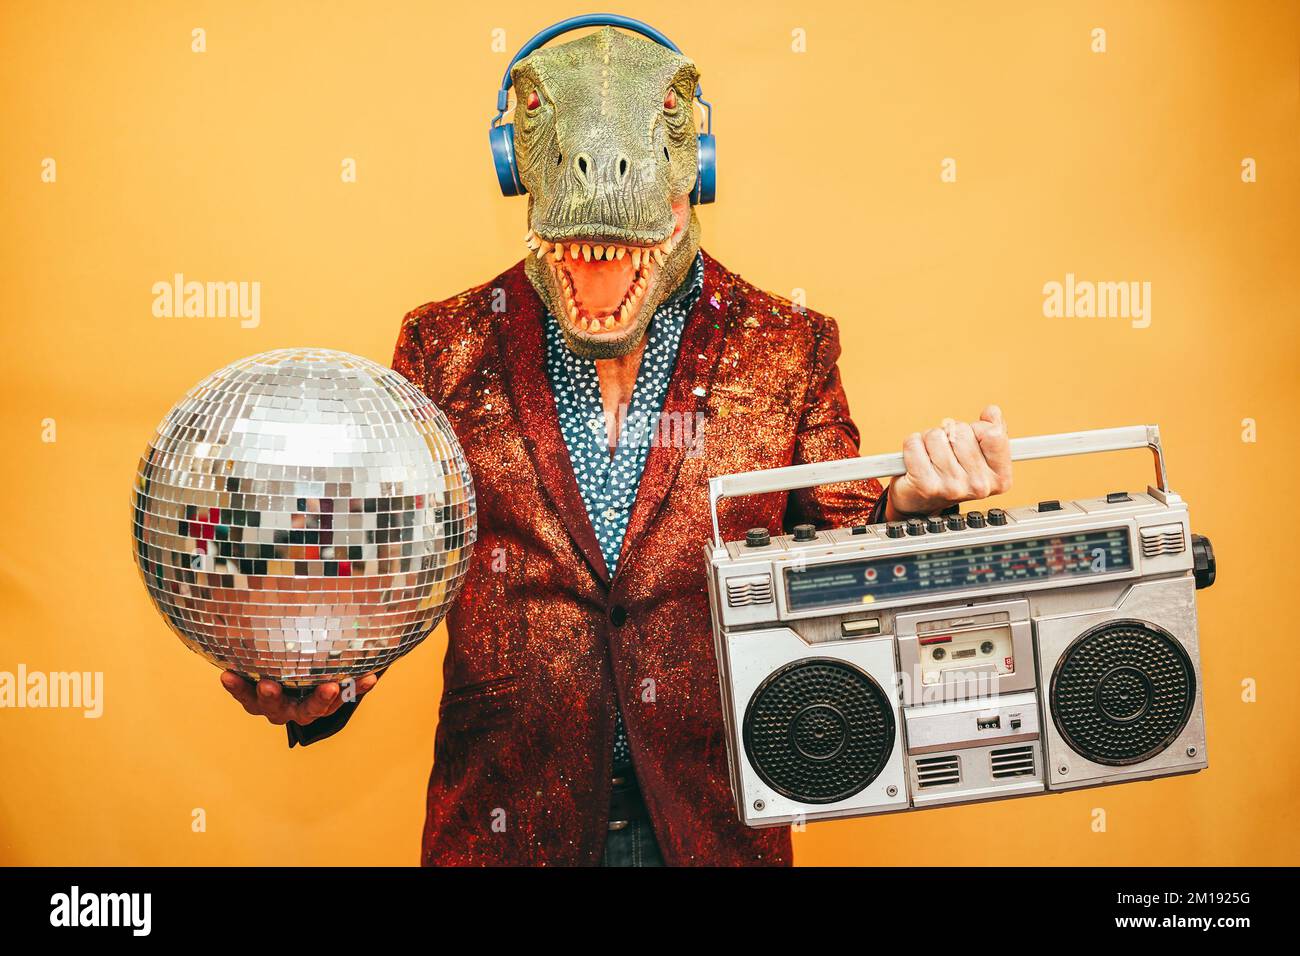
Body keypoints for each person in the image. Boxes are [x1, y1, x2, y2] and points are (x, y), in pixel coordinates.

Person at [220, 19, 1012, 866]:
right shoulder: (442, 343)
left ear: (696, 162)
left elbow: (839, 558)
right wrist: (319, 679)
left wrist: (913, 503)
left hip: (713, 826)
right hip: (506, 824)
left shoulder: (789, 343)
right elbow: (382, 573)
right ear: (513, 159)